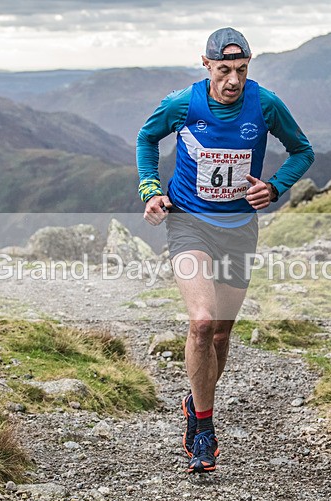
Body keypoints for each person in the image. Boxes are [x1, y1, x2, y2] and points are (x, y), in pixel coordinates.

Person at [136, 27, 314, 474]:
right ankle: (205, 430)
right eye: (224, 70)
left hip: (238, 230)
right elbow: (146, 138)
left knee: (220, 336)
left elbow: (302, 152)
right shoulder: (184, 102)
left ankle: (195, 400)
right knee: (201, 323)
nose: (233, 80)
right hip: (189, 224)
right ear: (206, 65)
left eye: (241, 70)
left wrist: (273, 188)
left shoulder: (265, 103)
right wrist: (151, 189)